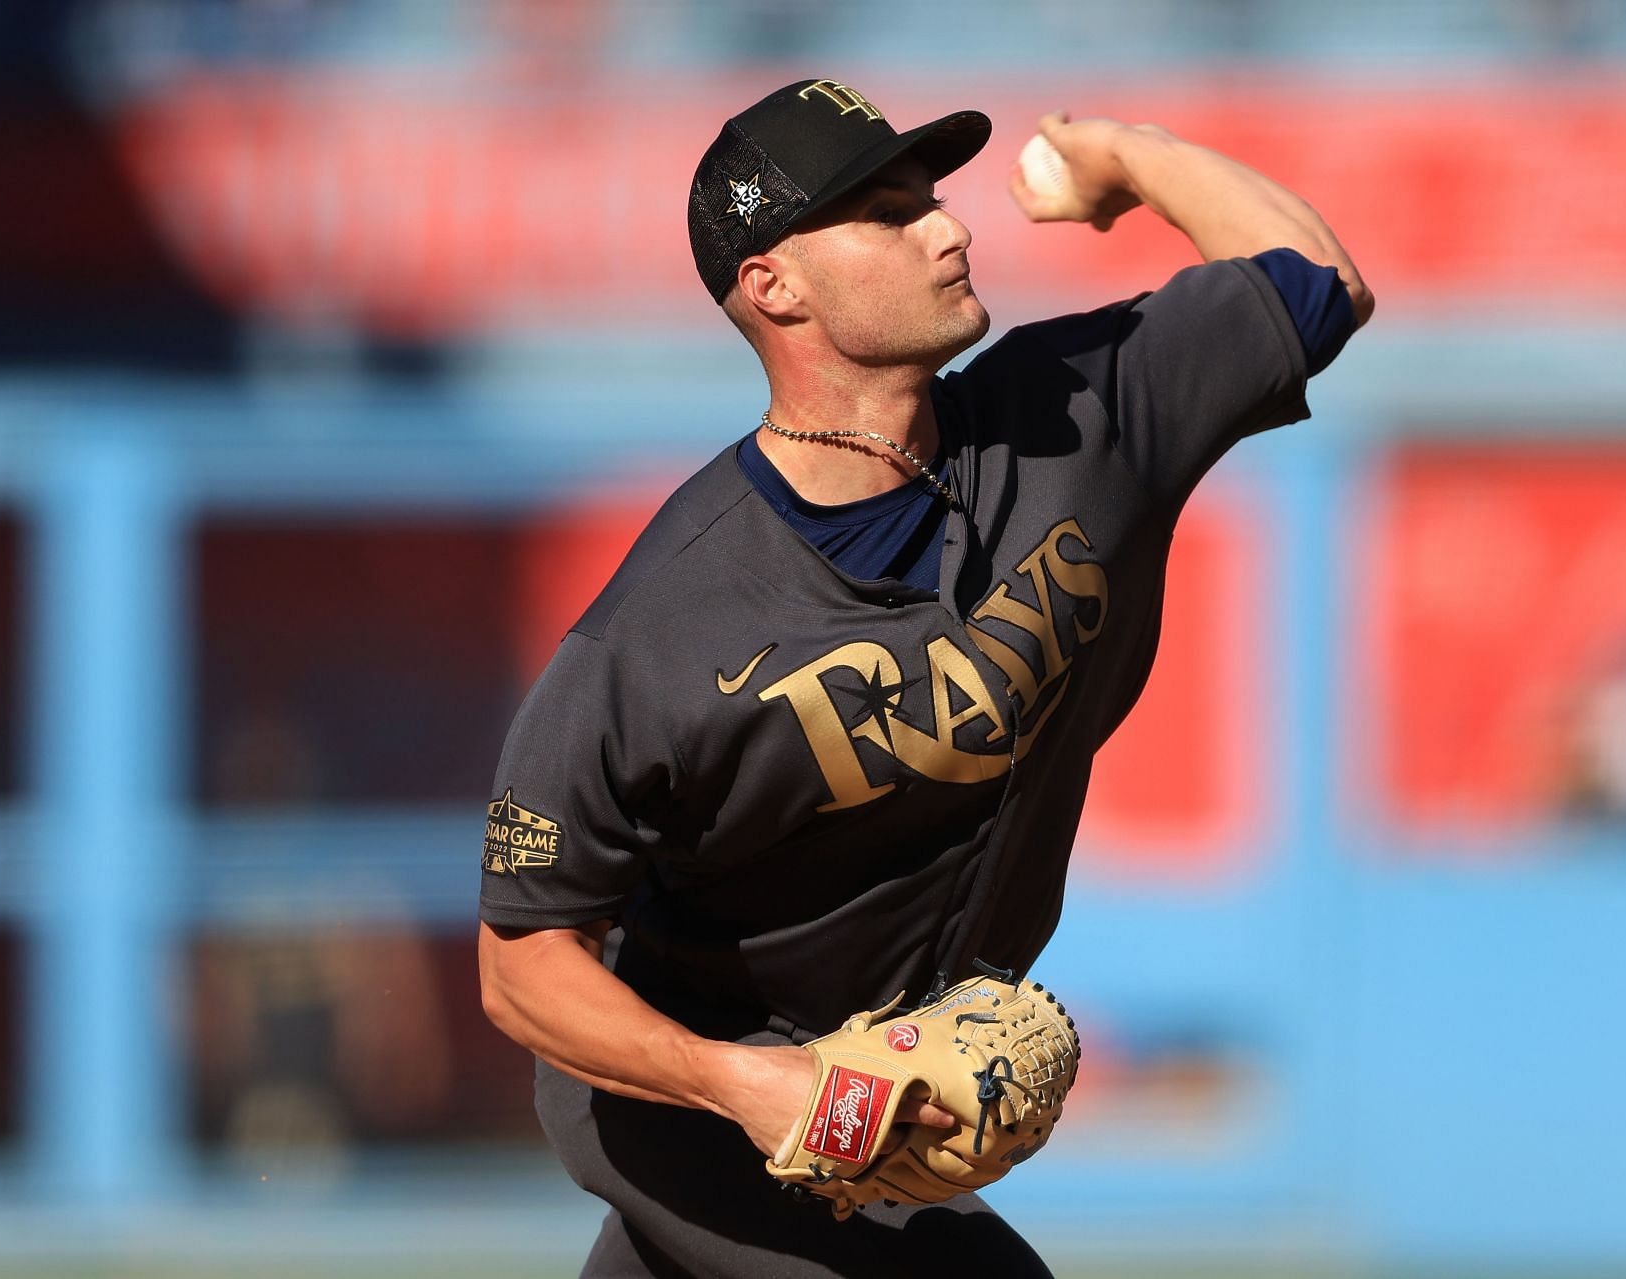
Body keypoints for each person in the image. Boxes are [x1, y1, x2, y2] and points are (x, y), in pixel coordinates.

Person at [476, 77, 1371, 1277]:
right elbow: (523, 964)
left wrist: (1129, 153)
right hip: (694, 1088)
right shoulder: (657, 632)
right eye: (886, 213)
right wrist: (744, 1083)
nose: (947, 228)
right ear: (774, 285)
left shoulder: (1078, 417)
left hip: (882, 1065)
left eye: (932, 197)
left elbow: (1314, 283)